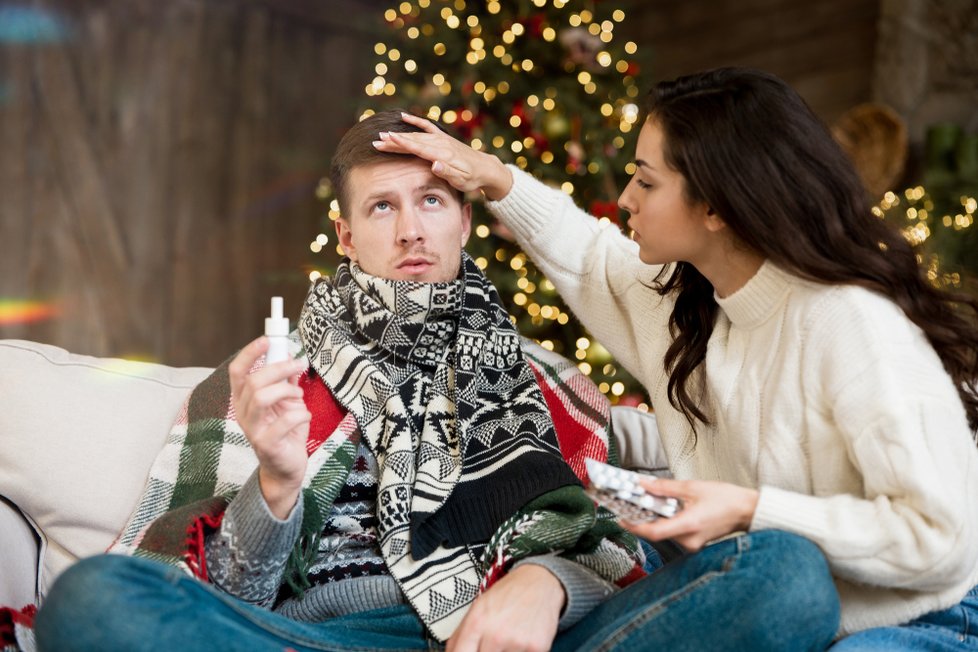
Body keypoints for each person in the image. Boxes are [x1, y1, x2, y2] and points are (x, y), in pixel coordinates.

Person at [374, 66, 978, 650]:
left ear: (715, 206)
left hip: (926, 614)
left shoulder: (851, 324)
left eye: (647, 180)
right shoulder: (694, 304)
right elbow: (590, 258)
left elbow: (941, 538)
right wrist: (495, 177)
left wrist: (748, 510)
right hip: (788, 609)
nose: (625, 198)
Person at [33, 110, 651, 652]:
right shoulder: (271, 379)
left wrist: (547, 583)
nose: (410, 229)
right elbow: (230, 593)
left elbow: (609, 546)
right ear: (348, 238)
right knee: (91, 598)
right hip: (322, 639)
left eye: (431, 200)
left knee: (748, 574)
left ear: (465, 221)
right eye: (383, 206)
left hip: (509, 633)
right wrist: (275, 485)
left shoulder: (547, 381)